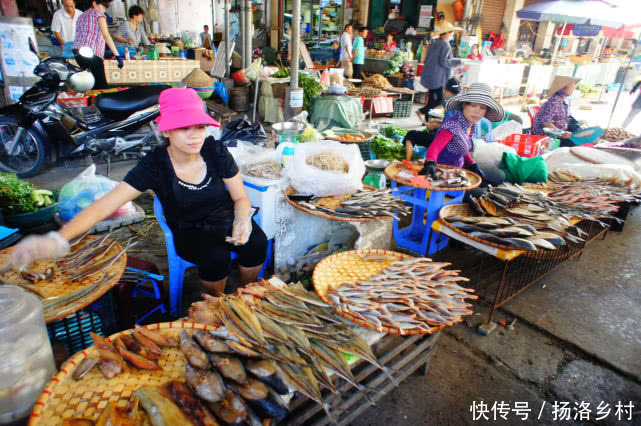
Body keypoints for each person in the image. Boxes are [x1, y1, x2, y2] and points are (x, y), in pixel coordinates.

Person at [12, 88, 268, 297]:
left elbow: (240, 197)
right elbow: (105, 205)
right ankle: (217, 303)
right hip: (189, 229)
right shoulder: (154, 166)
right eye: (183, 127)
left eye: (199, 127)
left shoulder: (215, 151)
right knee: (216, 258)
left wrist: (242, 219)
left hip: (224, 218)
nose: (194, 136)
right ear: (166, 130)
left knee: (256, 242)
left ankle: (245, 295)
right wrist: (59, 238)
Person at [418, 82, 505, 179]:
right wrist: (430, 162)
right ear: (464, 105)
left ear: (486, 111)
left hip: (457, 170)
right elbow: (435, 147)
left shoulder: (472, 126)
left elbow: (461, 147)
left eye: (482, 107)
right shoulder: (452, 125)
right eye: (473, 105)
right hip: (441, 173)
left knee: (498, 176)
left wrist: (472, 163)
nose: (477, 111)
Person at [404, 77, 461, 160]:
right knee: (431, 130)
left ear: (445, 89)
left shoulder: (450, 104)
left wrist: (435, 125)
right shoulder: (459, 101)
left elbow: (450, 127)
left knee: (411, 134)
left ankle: (407, 162)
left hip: (446, 142)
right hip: (457, 141)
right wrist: (436, 122)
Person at [417, 21, 462, 124]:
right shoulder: (445, 44)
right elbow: (444, 62)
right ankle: (422, 111)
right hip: (437, 77)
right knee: (439, 100)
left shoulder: (435, 42)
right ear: (447, 33)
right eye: (452, 33)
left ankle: (426, 119)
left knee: (432, 99)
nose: (452, 35)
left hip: (429, 75)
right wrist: (458, 61)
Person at [73, 0, 123, 90]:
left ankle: (93, 100)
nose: (103, 10)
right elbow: (106, 34)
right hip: (91, 52)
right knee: (101, 85)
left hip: (77, 52)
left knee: (91, 82)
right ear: (94, 3)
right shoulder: (98, 14)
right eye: (103, 7)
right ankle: (101, 102)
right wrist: (117, 55)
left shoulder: (81, 16)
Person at [531, 75, 581, 147]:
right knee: (574, 145)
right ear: (563, 89)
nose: (574, 88)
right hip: (548, 136)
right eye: (572, 86)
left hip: (557, 133)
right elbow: (546, 123)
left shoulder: (561, 100)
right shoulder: (555, 100)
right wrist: (562, 133)